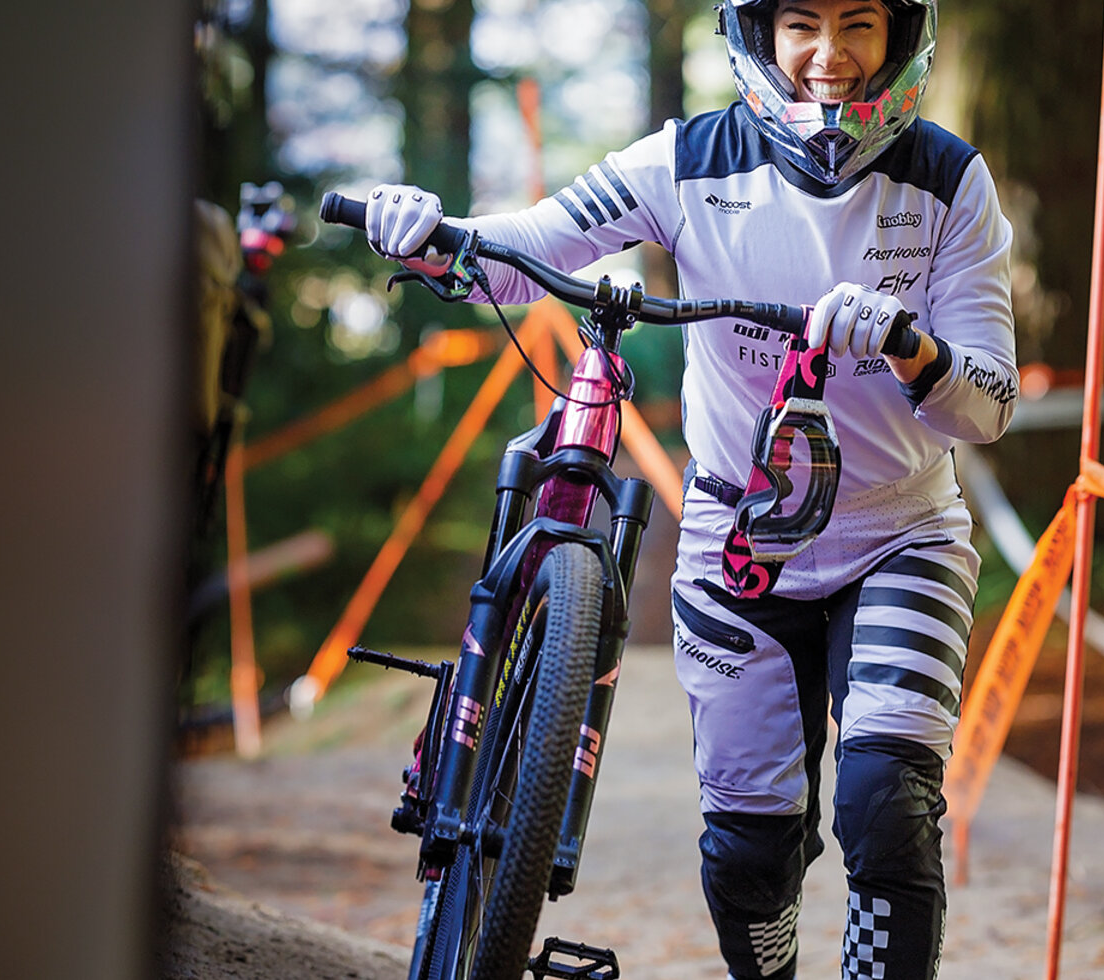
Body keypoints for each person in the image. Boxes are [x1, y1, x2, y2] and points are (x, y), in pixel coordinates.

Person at [364, 0, 1014, 976]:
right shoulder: (688, 158)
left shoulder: (950, 177)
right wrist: (429, 233)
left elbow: (988, 406)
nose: (828, 56)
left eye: (859, 25)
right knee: (749, 850)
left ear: (902, 35)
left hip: (899, 534)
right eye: (801, 24)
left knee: (887, 805)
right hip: (736, 538)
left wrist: (908, 342)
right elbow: (529, 251)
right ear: (757, 34)